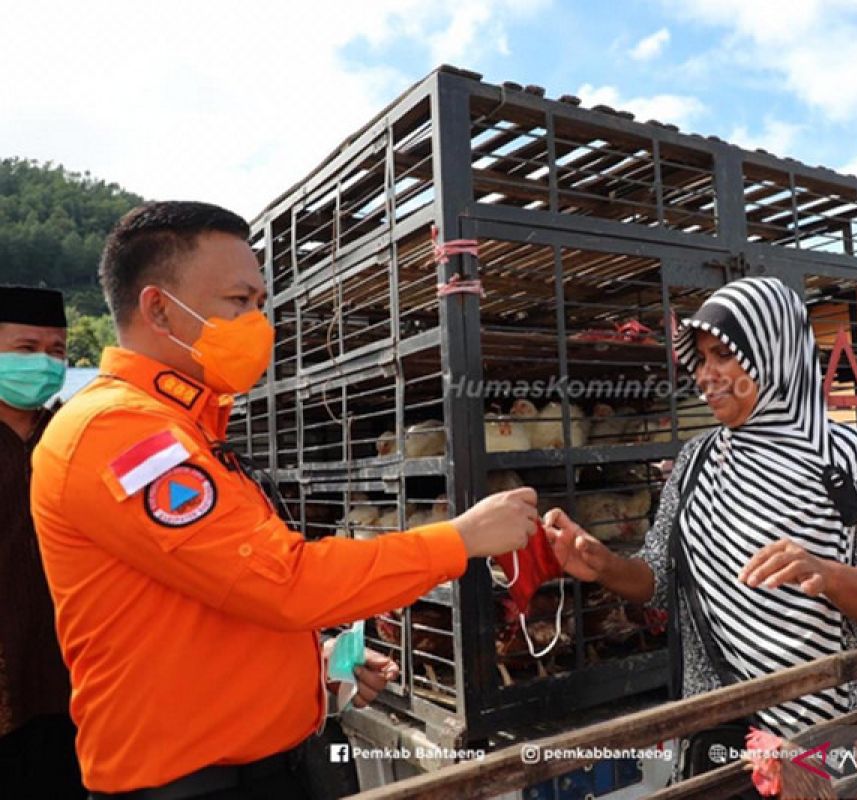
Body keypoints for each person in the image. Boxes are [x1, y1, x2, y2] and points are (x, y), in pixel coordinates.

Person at [30, 201, 539, 798]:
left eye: (260, 304)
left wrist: (312, 670)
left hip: (259, 771)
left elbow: (210, 596)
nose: (258, 322)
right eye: (238, 302)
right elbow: (283, 581)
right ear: (159, 309)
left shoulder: (187, 427)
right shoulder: (121, 433)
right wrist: (460, 539)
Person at [545, 277, 857, 772]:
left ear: (773, 351)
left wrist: (829, 574)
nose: (705, 375)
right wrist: (602, 564)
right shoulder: (695, 461)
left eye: (723, 355)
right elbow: (659, 581)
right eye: (700, 359)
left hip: (827, 732)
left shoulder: (847, 456)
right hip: (722, 729)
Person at [0, 286, 87, 798]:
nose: (45, 364)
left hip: (71, 673)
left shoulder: (73, 434)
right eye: (26, 350)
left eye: (56, 352)